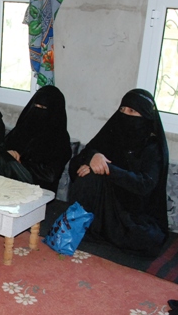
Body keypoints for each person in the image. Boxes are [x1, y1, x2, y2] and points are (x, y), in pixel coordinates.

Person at [68, 88, 169, 257]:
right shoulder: (112, 133)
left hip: (133, 211)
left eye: (132, 111)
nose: (125, 115)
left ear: (145, 116)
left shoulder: (152, 147)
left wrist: (107, 169)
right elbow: (75, 164)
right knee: (87, 174)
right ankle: (83, 227)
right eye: (122, 109)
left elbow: (144, 185)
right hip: (106, 203)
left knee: (148, 239)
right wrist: (93, 157)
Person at [0, 85, 71, 193]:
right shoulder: (22, 129)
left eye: (43, 108)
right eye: (36, 106)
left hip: (36, 187)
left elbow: (50, 175)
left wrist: (19, 162)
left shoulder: (60, 138)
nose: (38, 111)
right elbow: (1, 149)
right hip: (9, 180)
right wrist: (9, 154)